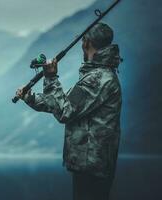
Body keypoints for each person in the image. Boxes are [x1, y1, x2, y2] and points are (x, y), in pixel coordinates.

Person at [16, 22, 122, 200]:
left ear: (86, 43)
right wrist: (30, 97)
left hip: (92, 167)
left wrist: (50, 77)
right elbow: (65, 104)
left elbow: (64, 111)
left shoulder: (97, 79)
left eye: (82, 40)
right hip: (91, 164)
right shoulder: (98, 75)